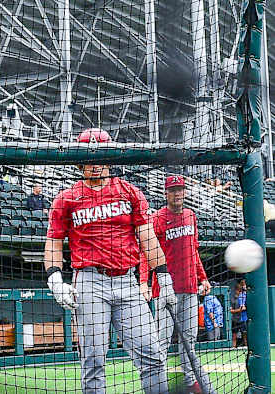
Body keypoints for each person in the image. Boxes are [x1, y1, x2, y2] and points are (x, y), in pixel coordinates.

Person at [44, 128, 171, 394]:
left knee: (152, 354)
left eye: (101, 156)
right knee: (93, 363)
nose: (96, 163)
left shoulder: (129, 191)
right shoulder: (66, 198)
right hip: (89, 282)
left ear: (110, 158)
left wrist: (164, 275)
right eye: (90, 158)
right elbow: (54, 241)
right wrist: (54, 278)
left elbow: (147, 236)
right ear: (80, 162)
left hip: (127, 281)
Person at [138, 174, 212, 393]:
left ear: (185, 192)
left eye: (180, 189)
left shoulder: (191, 215)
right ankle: (158, 386)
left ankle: (190, 383)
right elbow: (147, 252)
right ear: (166, 193)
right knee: (161, 340)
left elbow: (194, 251)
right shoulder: (158, 218)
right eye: (172, 190)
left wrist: (203, 277)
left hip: (189, 288)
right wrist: (144, 281)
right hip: (165, 290)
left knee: (189, 341)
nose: (177, 193)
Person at [231, 279, 247, 347]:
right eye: (241, 284)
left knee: (245, 335)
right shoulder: (232, 298)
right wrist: (239, 310)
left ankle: (246, 347)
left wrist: (245, 308)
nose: (242, 286)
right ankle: (233, 348)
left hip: (244, 319)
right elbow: (230, 311)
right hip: (235, 320)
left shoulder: (245, 295)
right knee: (234, 336)